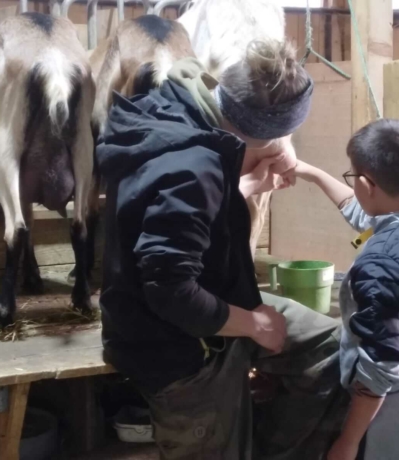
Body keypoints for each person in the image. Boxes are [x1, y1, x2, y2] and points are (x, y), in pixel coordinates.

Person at [96, 39, 347, 460]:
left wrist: (243, 188)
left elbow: (180, 208)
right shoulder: (196, 169)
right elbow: (170, 291)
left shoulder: (182, 98)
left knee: (331, 347)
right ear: (267, 132)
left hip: (213, 304)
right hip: (173, 347)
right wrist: (253, 325)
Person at [283, 119, 399, 460]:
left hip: (396, 410)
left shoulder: (378, 268)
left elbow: (381, 365)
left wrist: (347, 442)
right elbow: (366, 214)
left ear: (365, 183)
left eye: (352, 177)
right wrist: (308, 171)